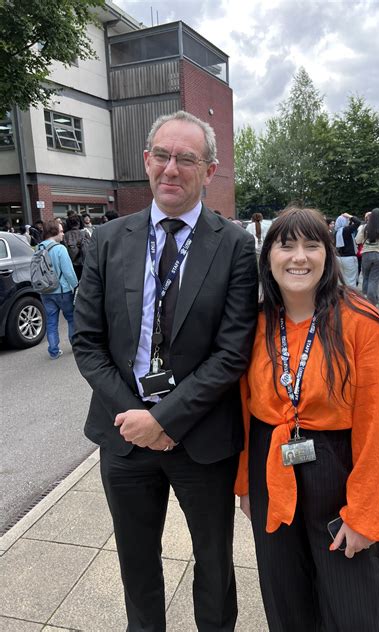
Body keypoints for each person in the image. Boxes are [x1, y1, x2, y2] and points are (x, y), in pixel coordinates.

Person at [72, 110, 259, 631]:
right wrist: (137, 415)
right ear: (147, 160)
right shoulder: (108, 240)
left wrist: (168, 420)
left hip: (202, 441)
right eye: (163, 155)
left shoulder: (236, 246)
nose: (171, 169)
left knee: (215, 565)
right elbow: (87, 342)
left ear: (211, 170)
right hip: (124, 435)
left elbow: (232, 351)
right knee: (136, 565)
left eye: (187, 158)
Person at [235, 206, 379, 632]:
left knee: (354, 608)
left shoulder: (362, 323)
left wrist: (365, 514)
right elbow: (242, 410)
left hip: (338, 469)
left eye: (312, 245)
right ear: (267, 255)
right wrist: (246, 486)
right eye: (286, 245)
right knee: (286, 600)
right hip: (271, 465)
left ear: (328, 255)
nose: (299, 257)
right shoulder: (253, 323)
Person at [38, 219, 78, 359]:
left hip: (45, 291)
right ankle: (75, 345)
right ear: (54, 232)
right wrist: (76, 286)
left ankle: (53, 351)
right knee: (71, 318)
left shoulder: (39, 248)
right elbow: (68, 272)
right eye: (61, 231)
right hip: (62, 291)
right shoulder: (60, 249)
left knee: (51, 321)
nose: (63, 234)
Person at [355, 207, 379, 306]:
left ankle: (366, 297)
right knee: (374, 278)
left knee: (366, 276)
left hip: (366, 254)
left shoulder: (364, 227)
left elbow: (358, 240)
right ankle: (372, 301)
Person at [334, 212, 361, 288]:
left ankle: (341, 297)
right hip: (349, 258)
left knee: (340, 280)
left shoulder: (336, 232)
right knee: (351, 280)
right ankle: (350, 298)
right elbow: (358, 222)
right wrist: (350, 216)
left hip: (338, 258)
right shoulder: (346, 230)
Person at [63, 214, 89, 280]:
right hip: (84, 264)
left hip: (71, 264)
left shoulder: (65, 235)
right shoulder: (85, 233)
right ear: (79, 222)